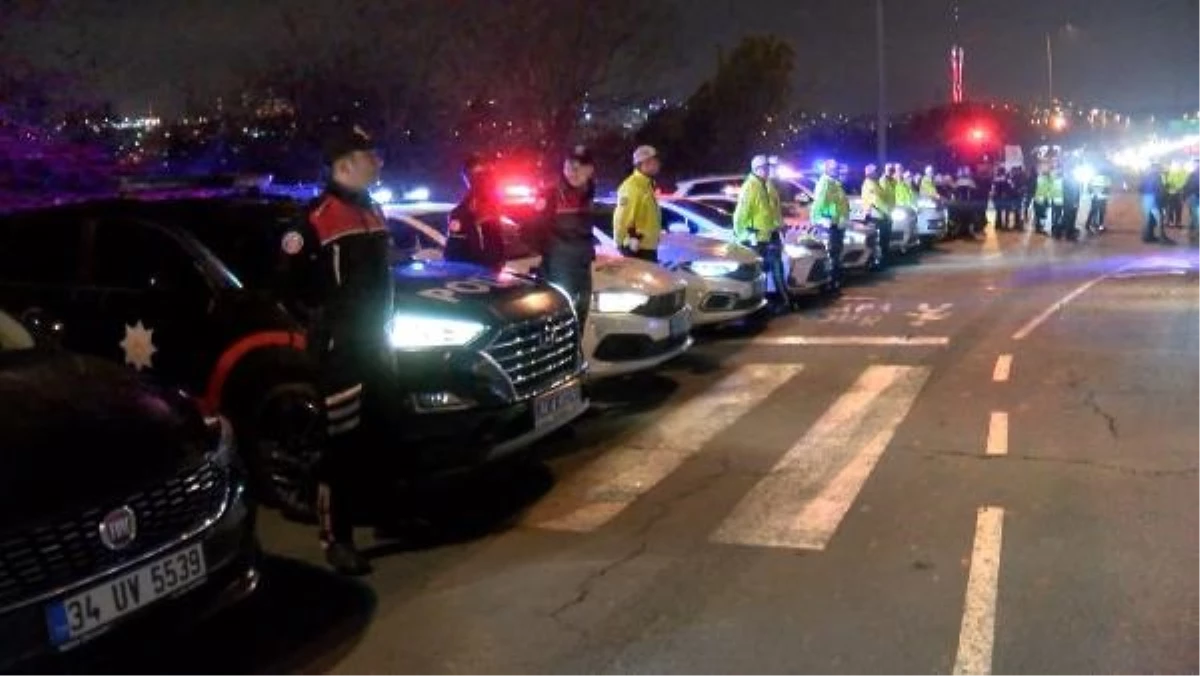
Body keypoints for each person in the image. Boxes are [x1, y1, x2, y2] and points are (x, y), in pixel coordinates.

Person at [276, 124, 392, 576]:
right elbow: (289, 289)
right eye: (369, 155)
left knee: (377, 432)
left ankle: (379, 514)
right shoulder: (315, 220)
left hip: (376, 343)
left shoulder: (372, 211)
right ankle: (336, 538)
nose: (377, 162)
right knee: (339, 445)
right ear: (344, 164)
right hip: (342, 351)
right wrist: (326, 326)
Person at [540, 145, 598, 324]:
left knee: (580, 318)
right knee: (560, 320)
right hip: (559, 268)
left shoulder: (589, 192)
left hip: (582, 266)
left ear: (590, 170)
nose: (574, 171)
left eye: (580, 166)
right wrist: (553, 254)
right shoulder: (551, 194)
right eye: (569, 165)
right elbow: (533, 229)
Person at [734, 154, 790, 312]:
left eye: (768, 168)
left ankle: (781, 301)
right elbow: (740, 214)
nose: (767, 171)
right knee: (761, 273)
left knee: (773, 269)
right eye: (765, 168)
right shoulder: (751, 187)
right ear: (757, 169)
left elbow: (773, 212)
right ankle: (762, 305)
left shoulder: (766, 185)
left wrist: (780, 226)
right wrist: (743, 234)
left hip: (769, 235)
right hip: (757, 238)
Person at [445, 154, 507, 270]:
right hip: (475, 271)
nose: (482, 180)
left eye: (483, 175)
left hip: (480, 270)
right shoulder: (465, 207)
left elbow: (492, 243)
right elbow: (455, 246)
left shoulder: (486, 202)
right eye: (477, 176)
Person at [613, 145, 663, 262]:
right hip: (637, 250)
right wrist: (620, 244)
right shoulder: (632, 187)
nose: (658, 165)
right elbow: (622, 218)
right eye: (654, 162)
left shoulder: (647, 185)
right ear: (643, 164)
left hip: (647, 249)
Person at [812, 159, 850, 292]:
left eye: (837, 167)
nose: (836, 170)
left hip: (837, 225)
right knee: (832, 255)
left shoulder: (834, 183)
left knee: (836, 254)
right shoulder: (825, 183)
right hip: (831, 225)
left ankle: (836, 281)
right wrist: (823, 221)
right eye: (833, 168)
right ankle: (832, 283)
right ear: (826, 168)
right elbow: (818, 205)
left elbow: (840, 204)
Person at [860, 163, 893, 264]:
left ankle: (881, 260)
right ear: (870, 173)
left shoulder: (874, 183)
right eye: (875, 171)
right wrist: (888, 212)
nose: (877, 173)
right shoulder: (870, 183)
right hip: (876, 216)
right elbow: (877, 200)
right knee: (881, 240)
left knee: (882, 240)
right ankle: (879, 261)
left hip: (879, 215)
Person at [1141, 163, 1168, 243]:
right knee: (1159, 218)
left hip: (1146, 198)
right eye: (1159, 168)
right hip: (1154, 198)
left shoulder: (1146, 176)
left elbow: (1140, 187)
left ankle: (1147, 237)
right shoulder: (1158, 177)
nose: (1160, 170)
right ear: (1156, 169)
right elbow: (1160, 189)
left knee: (1149, 218)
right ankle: (1162, 237)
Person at [1085, 168, 1112, 233]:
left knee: (1092, 211)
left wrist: (1092, 194)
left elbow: (1089, 187)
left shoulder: (1093, 178)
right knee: (1101, 212)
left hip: (1094, 197)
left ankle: (1088, 225)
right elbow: (1108, 189)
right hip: (1102, 198)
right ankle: (1100, 227)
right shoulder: (1106, 179)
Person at [1048, 166, 1067, 239]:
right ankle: (1058, 231)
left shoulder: (1054, 182)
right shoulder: (1063, 182)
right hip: (1061, 201)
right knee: (1059, 216)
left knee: (1055, 215)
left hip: (1054, 201)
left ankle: (1054, 228)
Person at [1032, 165, 1052, 234]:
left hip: (1037, 199)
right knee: (1041, 215)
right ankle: (1040, 228)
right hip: (1042, 200)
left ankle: (1038, 227)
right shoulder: (1045, 181)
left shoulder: (1038, 179)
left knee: (1038, 214)